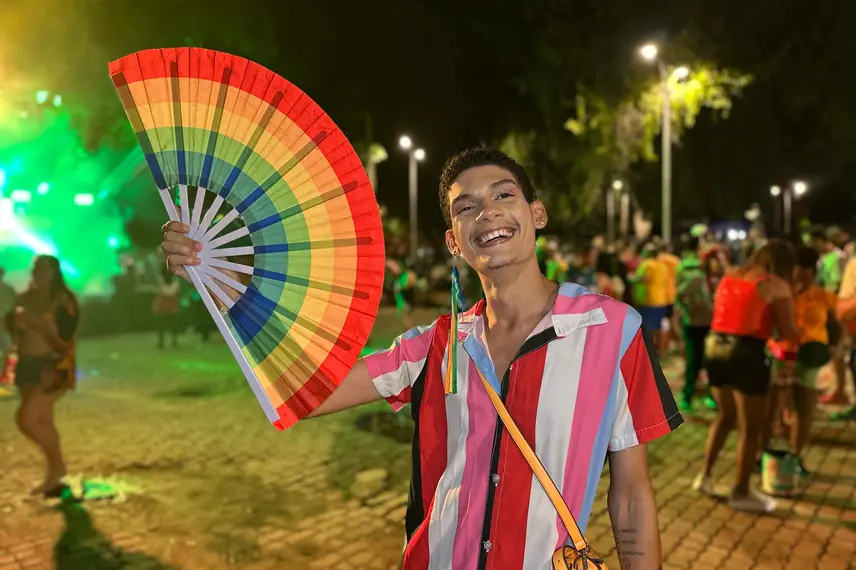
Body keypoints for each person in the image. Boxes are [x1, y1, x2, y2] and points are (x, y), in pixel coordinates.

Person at [162, 147, 682, 570]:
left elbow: (632, 494)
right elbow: (313, 392)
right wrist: (222, 287)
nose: (488, 212)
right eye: (466, 207)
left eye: (504, 195)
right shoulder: (434, 344)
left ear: (536, 213)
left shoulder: (612, 330)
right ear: (455, 242)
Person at [693, 240, 798, 513]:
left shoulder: (732, 276)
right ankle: (740, 491)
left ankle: (704, 476)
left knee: (725, 416)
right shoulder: (776, 284)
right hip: (746, 352)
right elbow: (788, 330)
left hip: (715, 346)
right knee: (750, 427)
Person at [763, 247, 838, 472]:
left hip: (810, 358)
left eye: (809, 270)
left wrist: (833, 347)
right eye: (801, 269)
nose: (805, 275)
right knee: (771, 409)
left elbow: (836, 324)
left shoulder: (822, 295)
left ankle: (795, 458)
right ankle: (762, 453)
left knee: (804, 411)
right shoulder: (779, 291)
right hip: (780, 356)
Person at [11, 255, 79, 496]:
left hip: (51, 366)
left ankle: (58, 466)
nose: (38, 274)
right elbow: (13, 335)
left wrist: (42, 328)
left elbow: (66, 343)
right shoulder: (23, 299)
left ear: (54, 273)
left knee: (27, 419)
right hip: (27, 365)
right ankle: (54, 474)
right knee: (43, 421)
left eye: (44, 270)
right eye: (36, 269)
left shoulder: (63, 301)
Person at [674, 237, 714, 411]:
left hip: (712, 324)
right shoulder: (696, 277)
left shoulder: (720, 280)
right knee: (694, 360)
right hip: (695, 323)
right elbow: (679, 294)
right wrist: (686, 311)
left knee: (711, 361)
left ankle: (710, 395)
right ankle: (688, 395)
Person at [809, 229, 849, 405]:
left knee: (839, 351)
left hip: (836, 310)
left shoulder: (836, 259)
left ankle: (840, 391)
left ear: (821, 240)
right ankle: (837, 389)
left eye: (813, 241)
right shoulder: (827, 259)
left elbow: (836, 284)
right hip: (831, 309)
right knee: (836, 352)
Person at [631, 243, 669, 352]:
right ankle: (661, 352)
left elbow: (645, 278)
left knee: (647, 329)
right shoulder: (662, 265)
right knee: (658, 328)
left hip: (649, 301)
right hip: (661, 300)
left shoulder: (647, 264)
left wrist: (632, 278)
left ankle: (649, 353)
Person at [658, 244, 683, 354]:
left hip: (659, 296)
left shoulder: (657, 260)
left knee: (659, 325)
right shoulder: (676, 260)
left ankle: (662, 350)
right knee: (674, 322)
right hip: (673, 295)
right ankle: (680, 346)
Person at [153, 265, 182, 349]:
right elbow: (176, 291)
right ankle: (174, 340)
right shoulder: (175, 280)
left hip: (163, 304)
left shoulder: (159, 280)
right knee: (173, 323)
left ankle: (161, 342)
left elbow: (159, 291)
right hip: (172, 304)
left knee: (161, 324)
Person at [0, 267, 16, 386]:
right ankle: (3, 376)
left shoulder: (8, 290)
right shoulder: (8, 290)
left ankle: (3, 377)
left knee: (6, 352)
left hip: (4, 325)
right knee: (6, 352)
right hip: (4, 325)